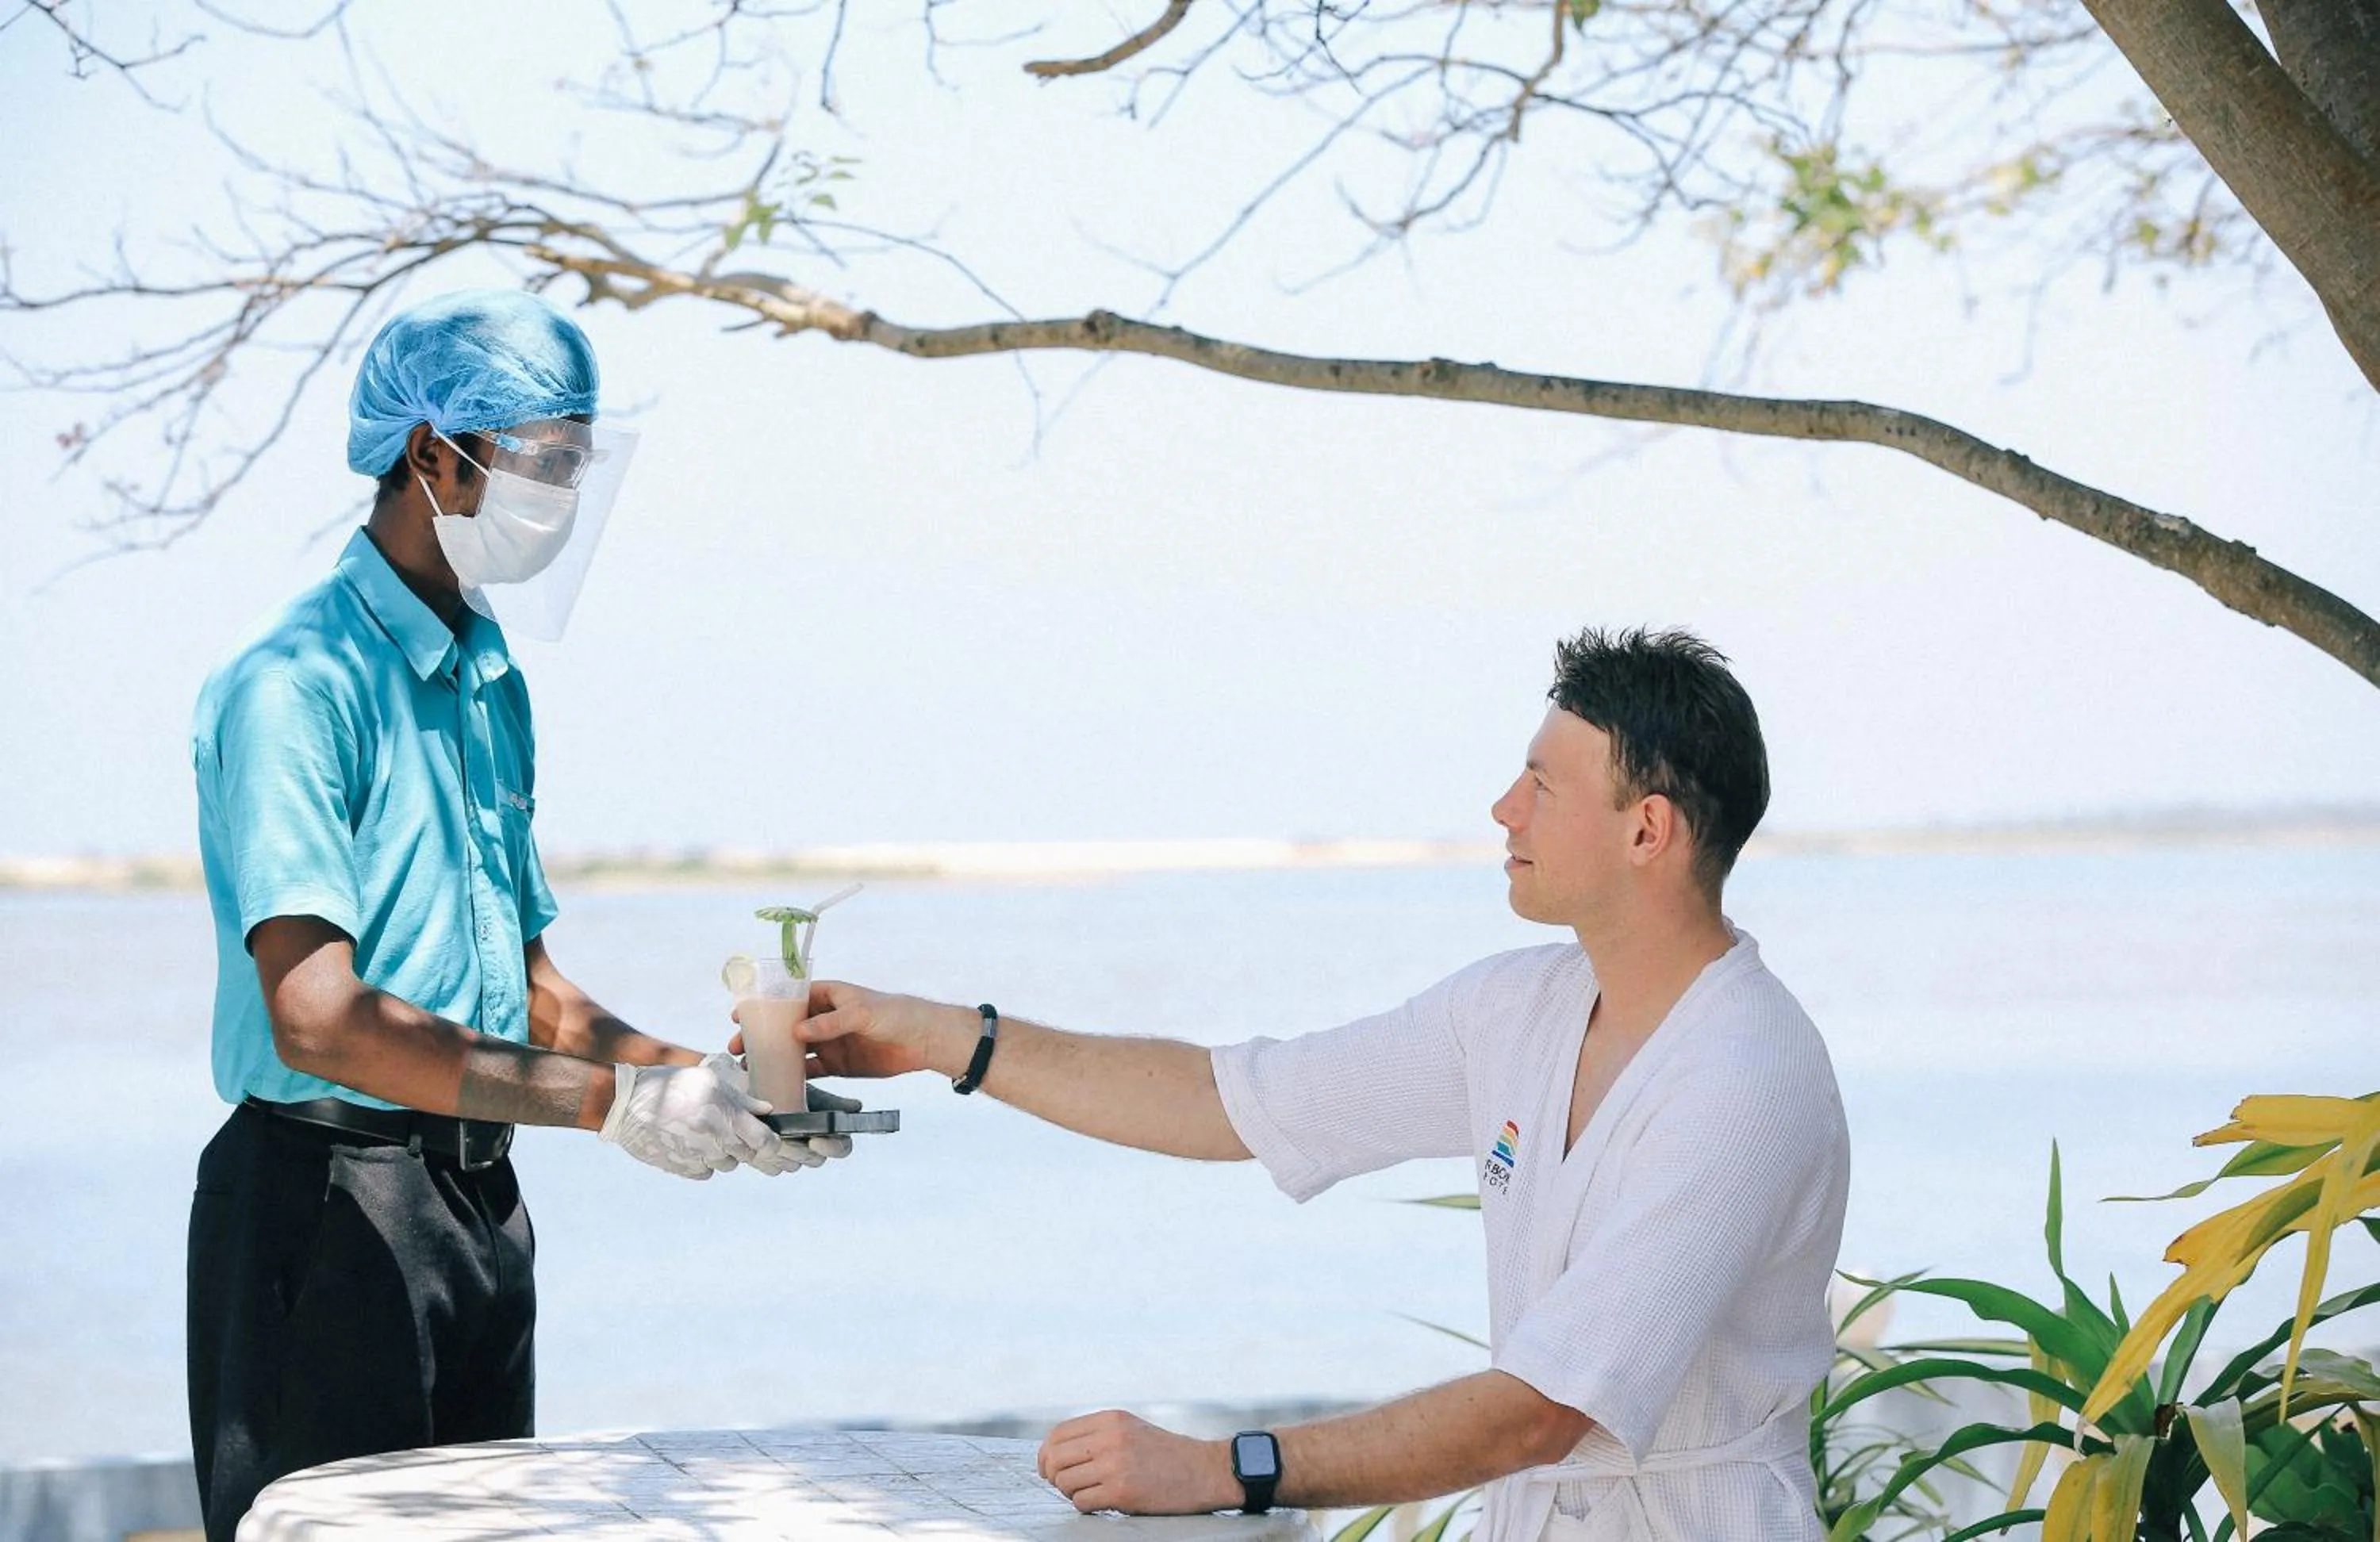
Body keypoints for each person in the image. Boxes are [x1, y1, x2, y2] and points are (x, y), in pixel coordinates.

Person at [778, 627, 1850, 1542]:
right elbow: (1233, 1100)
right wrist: (941, 1038)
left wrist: (1228, 1468)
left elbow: (1538, 1412)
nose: (1502, 808)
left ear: (1646, 830)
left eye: (1542, 784)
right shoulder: (1518, 1008)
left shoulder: (1741, 1081)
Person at [185, 289, 842, 1542]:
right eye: (543, 461)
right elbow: (319, 1017)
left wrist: (706, 1083)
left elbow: (529, 984)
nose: (563, 498)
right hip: (324, 1210)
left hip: (479, 1203)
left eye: (576, 467)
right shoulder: (297, 684)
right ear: (433, 452)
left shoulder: (487, 678)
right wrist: (612, 1105)